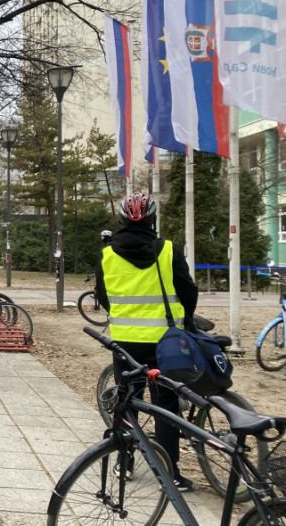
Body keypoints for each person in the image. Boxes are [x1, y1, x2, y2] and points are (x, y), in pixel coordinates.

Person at [95, 192, 198, 491]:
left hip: (125, 341)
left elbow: (103, 295)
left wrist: (123, 314)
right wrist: (185, 320)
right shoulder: (168, 250)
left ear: (122, 220)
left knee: (126, 401)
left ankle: (123, 463)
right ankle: (170, 473)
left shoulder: (107, 253)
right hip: (164, 342)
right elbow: (188, 291)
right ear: (152, 219)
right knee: (165, 405)